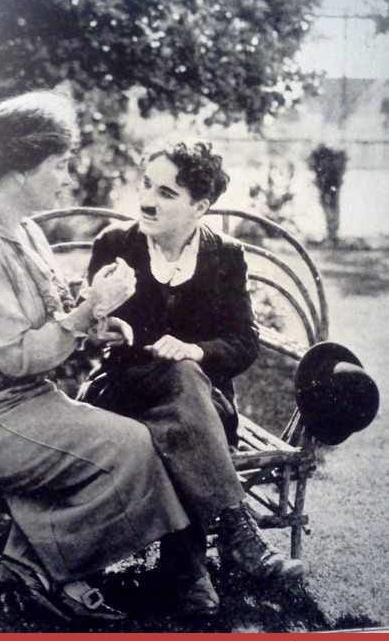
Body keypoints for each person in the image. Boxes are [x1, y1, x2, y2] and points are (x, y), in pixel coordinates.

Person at [0, 91, 215, 623]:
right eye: (57, 165)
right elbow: (19, 356)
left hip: (25, 402)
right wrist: (87, 311)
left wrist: (97, 321)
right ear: (20, 169)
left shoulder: (23, 230)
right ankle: (48, 568)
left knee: (134, 443)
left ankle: (30, 560)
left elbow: (53, 321)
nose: (66, 178)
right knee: (130, 448)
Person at [79, 140, 304, 609]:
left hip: (200, 402)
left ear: (200, 206)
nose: (146, 200)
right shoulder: (115, 244)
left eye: (165, 192)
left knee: (185, 384)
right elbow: (90, 330)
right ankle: (228, 538)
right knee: (188, 406)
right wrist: (107, 330)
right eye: (145, 185)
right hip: (122, 394)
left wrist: (195, 350)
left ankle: (188, 573)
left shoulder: (225, 256)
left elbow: (243, 343)